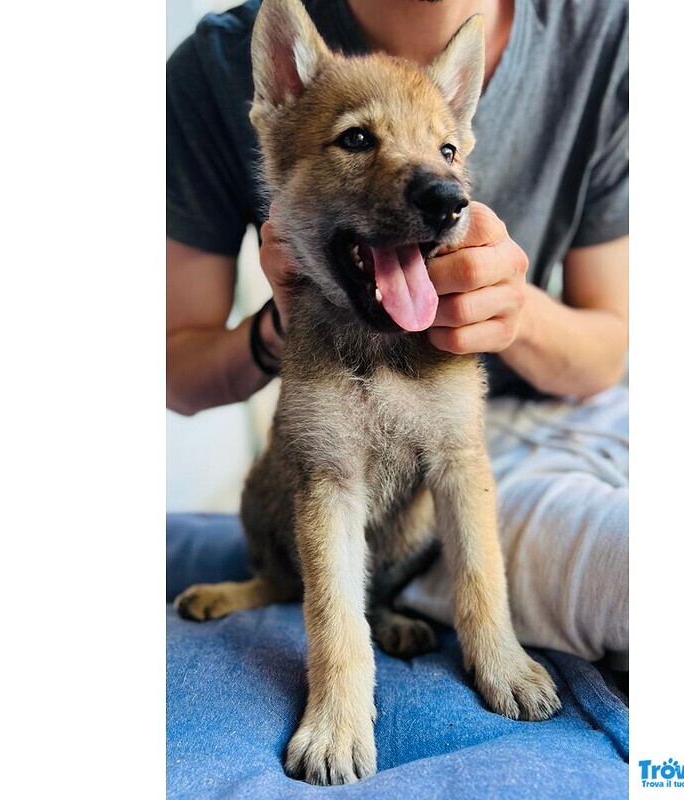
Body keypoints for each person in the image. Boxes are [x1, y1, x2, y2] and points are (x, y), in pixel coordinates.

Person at [167, 0, 629, 669]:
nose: (438, 184)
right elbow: (173, 369)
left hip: (559, 412)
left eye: (446, 151)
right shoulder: (221, 61)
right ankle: (287, 589)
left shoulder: (603, 37)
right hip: (407, 452)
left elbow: (608, 352)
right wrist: (282, 322)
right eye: (359, 139)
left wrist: (512, 310)